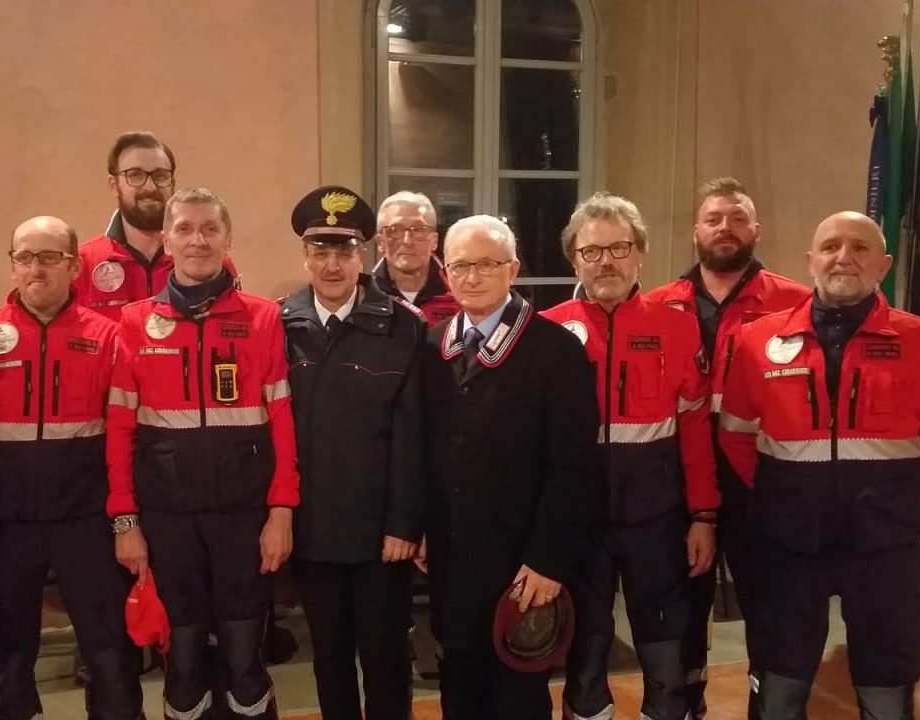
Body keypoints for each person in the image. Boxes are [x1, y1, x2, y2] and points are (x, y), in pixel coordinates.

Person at [718, 211, 920, 719]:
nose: (844, 257)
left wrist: (911, 502)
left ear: (882, 264)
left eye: (860, 248)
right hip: (788, 542)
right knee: (780, 674)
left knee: (886, 680)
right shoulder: (757, 342)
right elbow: (736, 436)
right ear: (810, 261)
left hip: (885, 546)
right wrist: (783, 493)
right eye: (832, 246)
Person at [107, 187, 298, 720]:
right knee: (184, 660)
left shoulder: (262, 318)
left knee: (244, 658)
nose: (198, 239)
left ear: (227, 237)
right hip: (166, 519)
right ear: (166, 239)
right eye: (185, 228)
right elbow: (119, 429)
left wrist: (281, 511)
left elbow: (283, 422)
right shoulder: (133, 322)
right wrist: (124, 521)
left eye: (210, 228)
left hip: (245, 516)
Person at [542, 193, 717, 720]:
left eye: (619, 247)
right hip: (580, 520)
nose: (606, 261)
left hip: (657, 518)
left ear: (640, 252)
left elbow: (694, 428)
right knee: (587, 638)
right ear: (573, 258)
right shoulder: (547, 329)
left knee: (664, 634)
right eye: (591, 251)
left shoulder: (678, 327)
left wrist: (703, 515)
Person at [421, 214, 598, 720]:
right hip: (453, 562)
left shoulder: (556, 349)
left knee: (517, 699)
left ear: (513, 268)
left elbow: (575, 468)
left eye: (487, 264)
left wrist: (548, 559)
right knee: (460, 693)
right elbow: (428, 453)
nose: (472, 277)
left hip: (522, 563)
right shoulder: (433, 346)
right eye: (460, 266)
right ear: (445, 271)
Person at [645, 177, 809, 718]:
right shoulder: (658, 306)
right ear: (696, 230)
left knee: (768, 606)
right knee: (681, 607)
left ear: (755, 230)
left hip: (758, 481)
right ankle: (685, 706)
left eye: (737, 219)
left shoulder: (795, 304)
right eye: (714, 218)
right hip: (679, 481)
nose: (725, 228)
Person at [0, 216, 142, 719]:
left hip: (86, 521)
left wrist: (126, 519)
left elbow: (125, 437)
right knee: (10, 653)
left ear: (74, 266)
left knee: (110, 651)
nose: (35, 268)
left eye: (48, 257)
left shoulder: (110, 337)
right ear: (12, 265)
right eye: (24, 257)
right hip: (5, 524)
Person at [280, 185, 428, 720]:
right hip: (314, 532)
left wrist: (405, 524)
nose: (332, 264)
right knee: (329, 661)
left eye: (344, 251)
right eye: (320, 250)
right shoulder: (279, 326)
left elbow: (414, 438)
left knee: (387, 662)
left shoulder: (404, 327)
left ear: (363, 255)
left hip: (380, 539)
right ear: (305, 256)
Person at [74, 131, 178, 320]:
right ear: (114, 185)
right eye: (136, 175)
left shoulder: (201, 260)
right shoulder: (81, 265)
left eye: (161, 175)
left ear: (173, 183)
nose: (150, 187)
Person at [372, 191, 461, 326]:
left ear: (434, 241)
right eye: (396, 230)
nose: (407, 241)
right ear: (380, 242)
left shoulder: (460, 293)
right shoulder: (362, 295)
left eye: (419, 229)